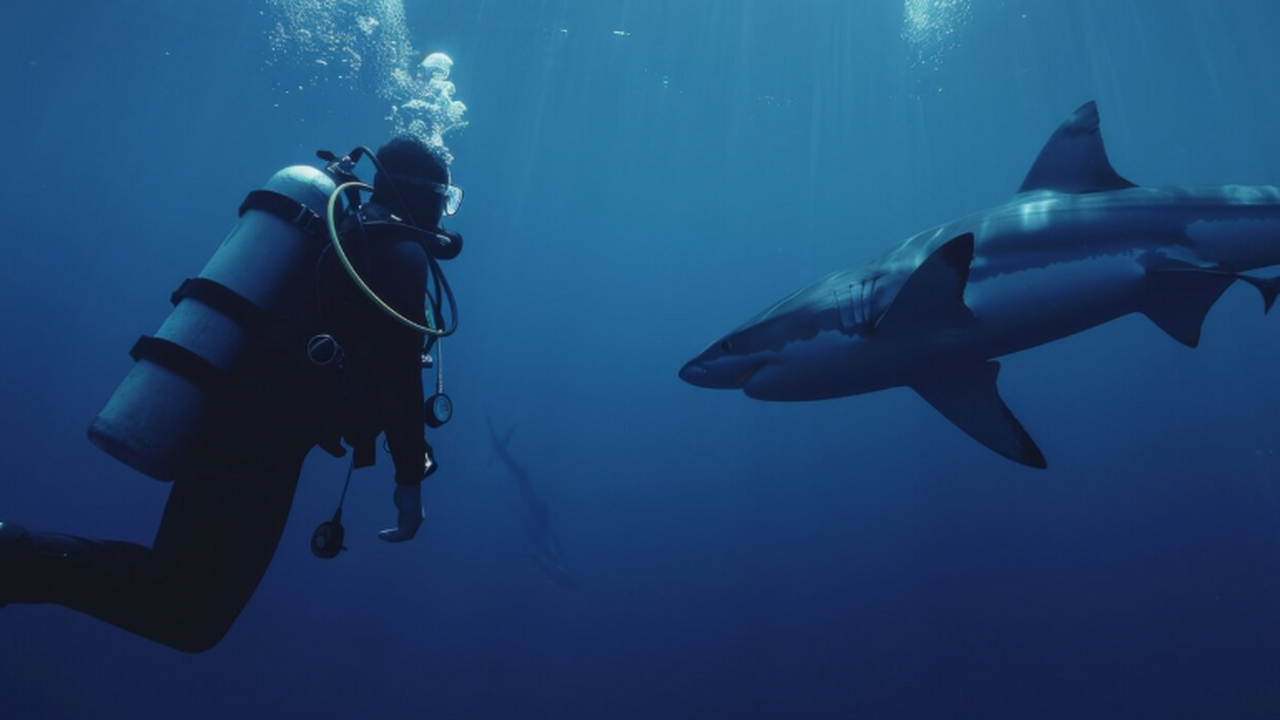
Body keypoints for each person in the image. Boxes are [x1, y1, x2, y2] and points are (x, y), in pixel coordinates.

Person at [0, 135, 463, 653]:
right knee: (188, 611)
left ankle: (14, 560)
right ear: (420, 195)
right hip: (260, 438)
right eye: (446, 199)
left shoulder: (347, 233)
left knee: (183, 600)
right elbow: (400, 374)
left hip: (244, 417)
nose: (445, 214)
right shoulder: (398, 251)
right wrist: (409, 480)